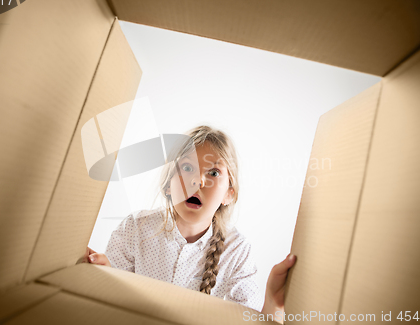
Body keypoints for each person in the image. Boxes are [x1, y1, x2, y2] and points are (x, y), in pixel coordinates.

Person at [85, 125, 296, 322]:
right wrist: (103, 277)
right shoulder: (135, 228)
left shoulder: (237, 251)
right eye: (187, 167)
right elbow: (108, 308)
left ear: (229, 194)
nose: (198, 181)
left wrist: (273, 303)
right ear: (169, 185)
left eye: (213, 173)